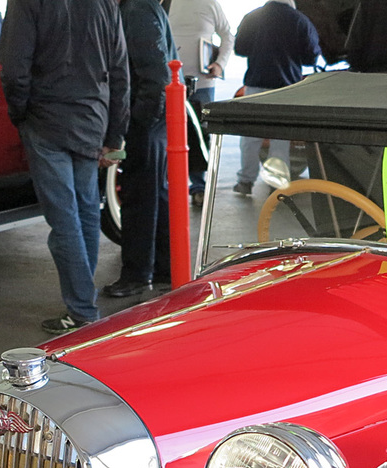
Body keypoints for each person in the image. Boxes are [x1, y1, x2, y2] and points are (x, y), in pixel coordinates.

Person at [0, 0, 130, 334]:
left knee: (64, 219)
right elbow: (119, 69)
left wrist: (20, 115)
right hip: (91, 118)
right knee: (86, 209)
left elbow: (14, 68)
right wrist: (115, 131)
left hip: (46, 120)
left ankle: (83, 309)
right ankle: (84, 299)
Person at [105, 0, 177, 298]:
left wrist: (138, 121)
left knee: (139, 197)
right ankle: (163, 268)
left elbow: (154, 74)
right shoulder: (145, 7)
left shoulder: (135, 11)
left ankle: (136, 275)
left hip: (148, 120)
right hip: (158, 118)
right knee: (155, 195)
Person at [231, 0, 320, 196]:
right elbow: (311, 56)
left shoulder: (252, 17)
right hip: (286, 88)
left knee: (250, 136)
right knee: (280, 138)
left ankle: (245, 181)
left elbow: (240, 48)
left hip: (255, 84)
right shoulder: (300, 20)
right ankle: (276, 183)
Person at [168, 0, 232, 199]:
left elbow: (228, 36)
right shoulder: (166, 3)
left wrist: (220, 64)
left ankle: (199, 187)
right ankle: (169, 185)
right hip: (170, 83)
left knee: (201, 135)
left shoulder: (210, 3)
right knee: (168, 133)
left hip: (203, 84)